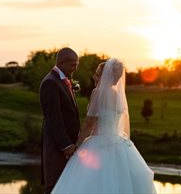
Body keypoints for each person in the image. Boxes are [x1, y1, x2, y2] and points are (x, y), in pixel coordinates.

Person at [52, 58, 157, 194]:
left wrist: (76, 146)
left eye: (97, 74)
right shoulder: (118, 96)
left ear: (105, 76)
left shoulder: (98, 93)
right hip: (118, 144)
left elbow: (89, 123)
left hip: (98, 144)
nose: (94, 77)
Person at [39, 47, 80, 194]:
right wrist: (66, 145)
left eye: (77, 64)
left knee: (65, 186)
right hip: (57, 146)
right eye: (73, 64)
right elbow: (53, 118)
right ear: (62, 63)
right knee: (54, 185)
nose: (76, 67)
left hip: (68, 144)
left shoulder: (65, 80)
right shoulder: (50, 82)